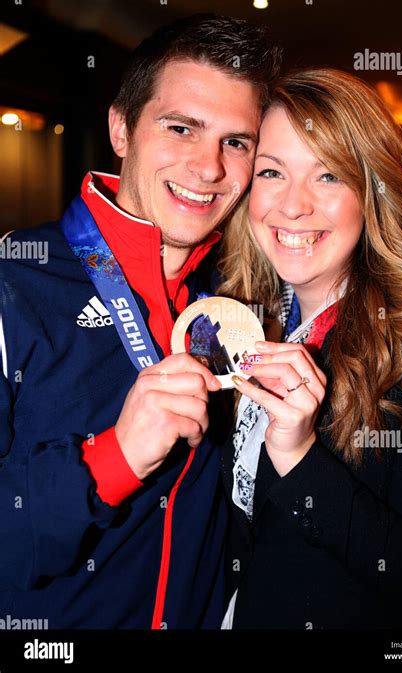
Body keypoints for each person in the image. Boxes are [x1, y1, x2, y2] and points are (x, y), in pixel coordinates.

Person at [0, 14, 281, 629]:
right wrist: (113, 459)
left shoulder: (238, 307)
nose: (209, 168)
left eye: (236, 142)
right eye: (182, 128)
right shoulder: (13, 285)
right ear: (121, 129)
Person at [217, 69, 402, 629]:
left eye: (328, 176)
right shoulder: (237, 318)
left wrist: (299, 457)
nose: (293, 206)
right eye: (271, 172)